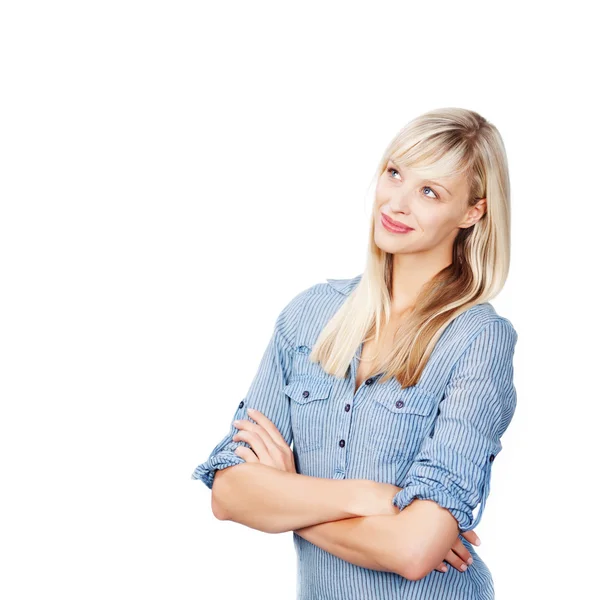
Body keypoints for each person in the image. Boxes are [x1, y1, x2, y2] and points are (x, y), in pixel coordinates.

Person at [191, 107, 518, 600]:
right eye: (395, 173)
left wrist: (288, 498)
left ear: (473, 212)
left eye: (430, 191)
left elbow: (414, 551)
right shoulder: (308, 316)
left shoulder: (477, 339)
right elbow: (229, 494)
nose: (397, 203)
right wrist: (371, 499)